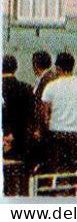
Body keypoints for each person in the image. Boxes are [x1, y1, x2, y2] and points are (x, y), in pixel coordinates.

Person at [40, 52, 77, 173]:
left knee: (58, 170)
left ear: (57, 68)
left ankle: (59, 191)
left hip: (56, 133)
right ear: (73, 67)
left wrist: (46, 130)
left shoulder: (50, 87)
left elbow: (44, 114)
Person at [3, 55, 38, 191]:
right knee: (20, 184)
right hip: (20, 143)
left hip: (3, 141)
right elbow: (30, 117)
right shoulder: (27, 89)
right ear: (16, 68)